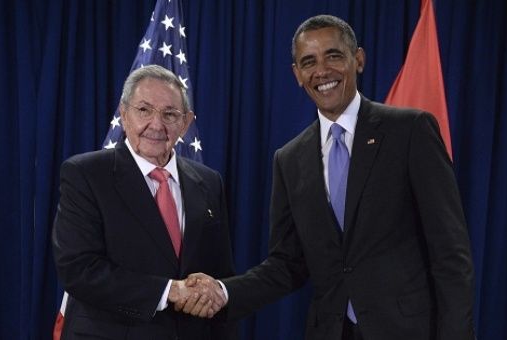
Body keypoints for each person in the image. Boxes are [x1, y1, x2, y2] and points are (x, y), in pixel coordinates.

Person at [180, 15, 476, 340]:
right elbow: (287, 264)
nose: (321, 71)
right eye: (309, 62)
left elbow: (450, 252)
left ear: (358, 59)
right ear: (297, 75)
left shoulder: (409, 131)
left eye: (333, 55)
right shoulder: (289, 159)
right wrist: (224, 292)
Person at [52, 65, 236, 339]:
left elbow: (221, 272)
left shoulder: (209, 182)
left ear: (185, 122)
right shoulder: (86, 174)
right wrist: (169, 291)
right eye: (144, 110)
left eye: (170, 114)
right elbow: (79, 269)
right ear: (124, 115)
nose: (157, 125)